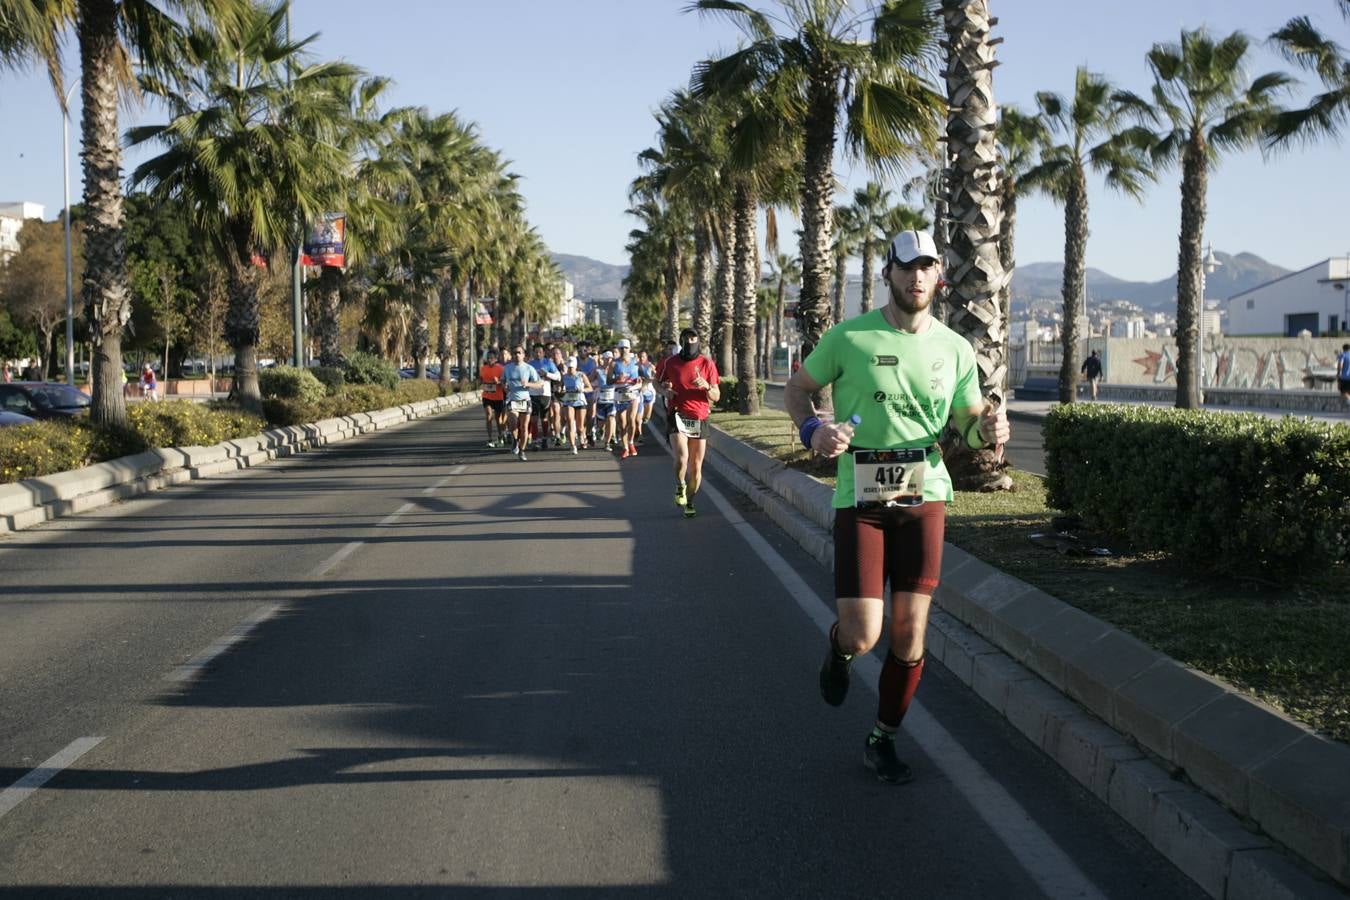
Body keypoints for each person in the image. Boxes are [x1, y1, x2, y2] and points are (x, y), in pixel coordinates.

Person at [784, 229, 1010, 785]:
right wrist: (812, 429)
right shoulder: (849, 337)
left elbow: (968, 425)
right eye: (906, 267)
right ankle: (839, 650)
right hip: (860, 496)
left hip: (924, 492)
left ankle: (882, 737)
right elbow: (797, 389)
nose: (916, 277)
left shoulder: (954, 348)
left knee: (909, 635)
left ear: (940, 276)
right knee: (864, 634)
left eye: (926, 267)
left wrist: (989, 429)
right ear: (888, 273)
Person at [660, 326, 721, 519]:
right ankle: (680, 486)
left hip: (700, 417)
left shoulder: (707, 363)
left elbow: (716, 396)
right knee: (682, 458)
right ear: (681, 341)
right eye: (686, 339)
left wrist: (706, 386)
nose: (690, 342)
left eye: (693, 338)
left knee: (696, 467)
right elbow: (656, 382)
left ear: (698, 341)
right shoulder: (671, 362)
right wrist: (665, 392)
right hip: (678, 414)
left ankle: (691, 501)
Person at [502, 346, 542, 461]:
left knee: (524, 427)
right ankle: (515, 440)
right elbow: (503, 381)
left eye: (519, 353)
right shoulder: (507, 368)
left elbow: (539, 384)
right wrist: (504, 387)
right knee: (513, 424)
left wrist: (528, 384)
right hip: (512, 399)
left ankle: (522, 450)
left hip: (525, 400)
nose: (517, 355)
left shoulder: (529, 368)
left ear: (523, 355)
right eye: (514, 353)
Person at [611, 339, 642, 458]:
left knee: (631, 419)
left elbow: (642, 375)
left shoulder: (635, 362)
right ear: (619, 349)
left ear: (630, 349)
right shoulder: (614, 364)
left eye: (626, 348)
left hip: (633, 393)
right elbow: (609, 380)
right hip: (619, 394)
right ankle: (625, 448)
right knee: (622, 423)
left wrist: (640, 380)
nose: (624, 350)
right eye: (622, 348)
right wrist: (617, 379)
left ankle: (631, 443)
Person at [560, 357, 593, 454]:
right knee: (570, 422)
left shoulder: (581, 375)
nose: (570, 369)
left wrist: (582, 390)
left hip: (580, 402)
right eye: (569, 367)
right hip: (568, 402)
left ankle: (583, 438)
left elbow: (590, 388)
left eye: (572, 368)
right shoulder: (564, 376)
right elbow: (560, 388)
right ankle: (573, 446)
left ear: (575, 367)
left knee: (580, 427)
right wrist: (560, 390)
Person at [479, 349, 507, 447]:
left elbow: (504, 382)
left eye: (492, 358)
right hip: (487, 396)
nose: (490, 360)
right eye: (488, 358)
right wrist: (482, 383)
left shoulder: (501, 368)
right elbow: (481, 379)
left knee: (498, 419)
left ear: (496, 359)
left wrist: (498, 382)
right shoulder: (483, 368)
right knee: (488, 415)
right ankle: (490, 438)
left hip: (498, 397)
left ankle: (500, 436)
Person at [1338, 343, 1350, 408]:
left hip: (1345, 377)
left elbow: (1340, 364)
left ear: (1343, 349)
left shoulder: (1343, 355)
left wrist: (1338, 373)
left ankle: (1349, 401)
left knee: (1343, 391)